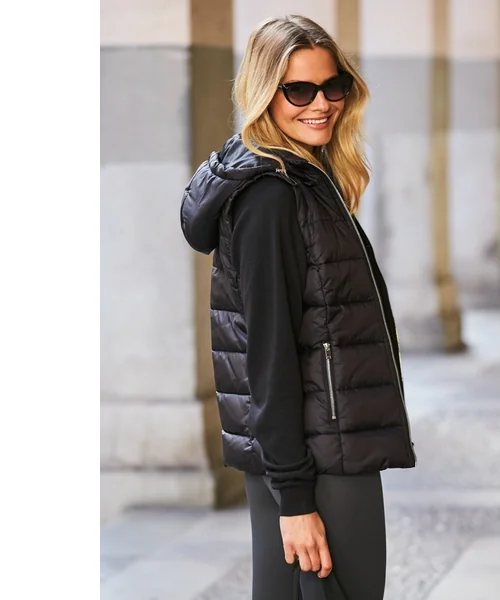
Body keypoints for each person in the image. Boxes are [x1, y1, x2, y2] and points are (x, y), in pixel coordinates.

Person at [180, 14, 416, 600]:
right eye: (299, 90)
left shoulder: (307, 177)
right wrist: (294, 499)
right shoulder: (271, 197)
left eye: (332, 86)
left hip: (322, 447)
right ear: (265, 93)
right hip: (316, 460)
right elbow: (268, 355)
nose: (322, 104)